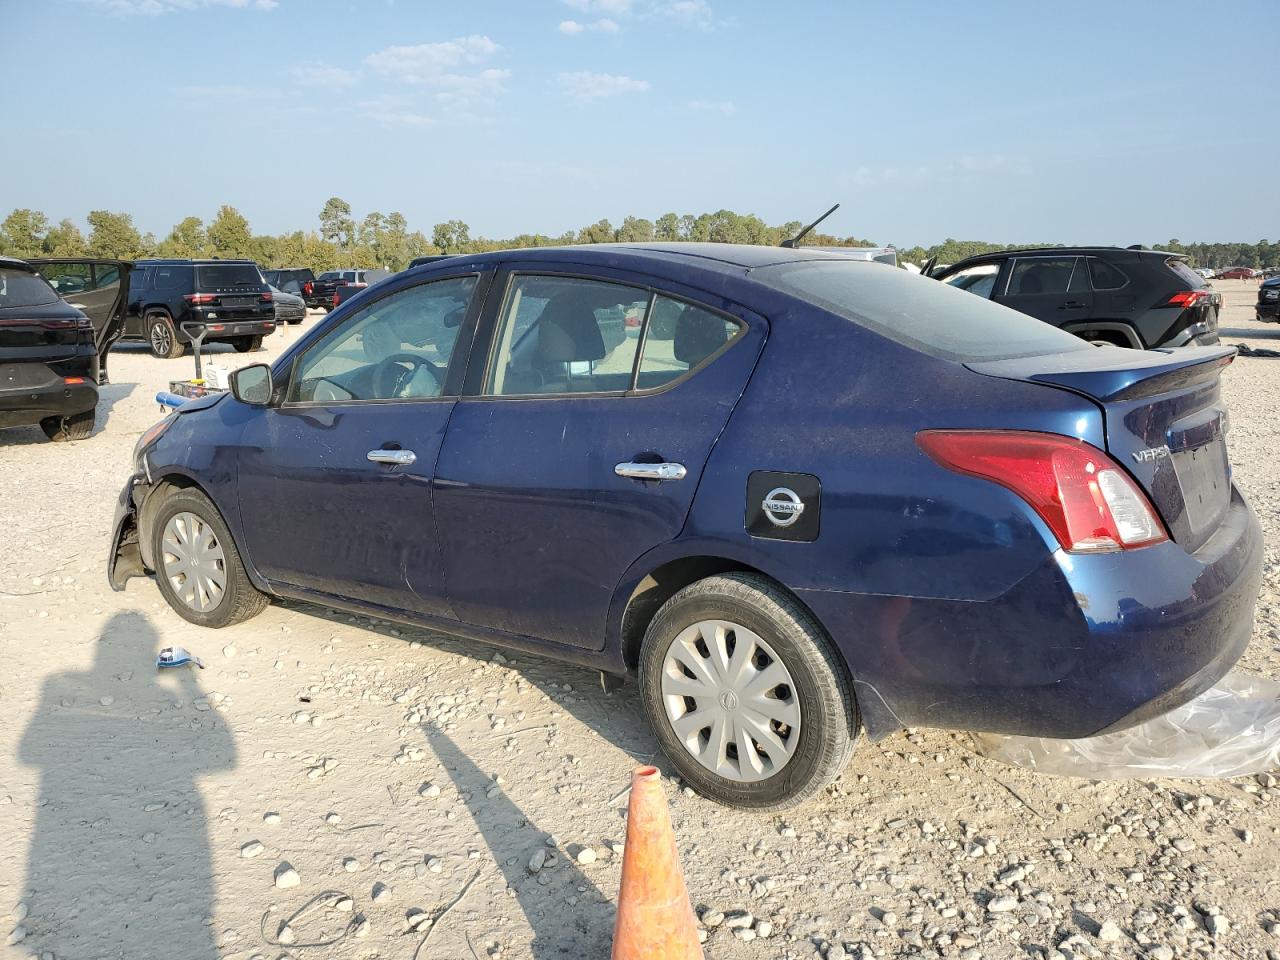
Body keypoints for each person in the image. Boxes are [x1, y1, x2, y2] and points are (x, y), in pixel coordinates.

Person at [17, 612, 235, 959]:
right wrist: (189, 685)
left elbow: (28, 752)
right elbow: (225, 758)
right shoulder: (65, 685)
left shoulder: (61, 684)